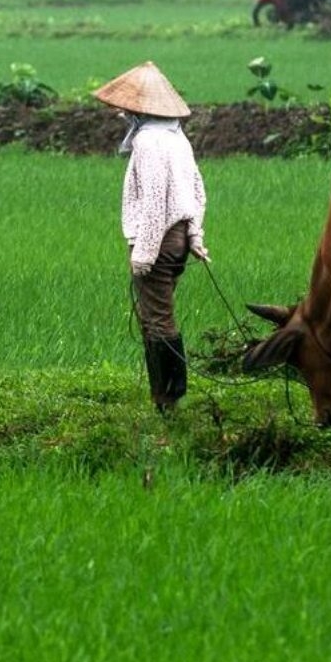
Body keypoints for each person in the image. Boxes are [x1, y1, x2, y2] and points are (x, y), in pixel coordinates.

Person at [98, 60, 206, 413]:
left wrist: (143, 252)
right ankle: (165, 397)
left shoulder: (148, 141)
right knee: (159, 314)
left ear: (138, 109)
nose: (122, 114)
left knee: (157, 319)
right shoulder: (177, 137)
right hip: (176, 240)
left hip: (158, 240)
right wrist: (195, 235)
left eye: (126, 109)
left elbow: (156, 199)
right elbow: (197, 191)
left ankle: (168, 400)